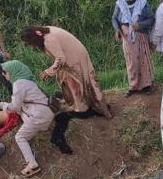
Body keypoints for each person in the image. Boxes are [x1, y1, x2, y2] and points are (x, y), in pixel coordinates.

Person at [21, 26, 111, 154]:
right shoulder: (47, 31)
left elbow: (61, 59)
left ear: (34, 38)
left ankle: (82, 109)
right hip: (75, 54)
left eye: (29, 43)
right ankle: (86, 105)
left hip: (73, 58)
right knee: (80, 82)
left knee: (75, 84)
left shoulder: (48, 40)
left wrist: (49, 71)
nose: (31, 46)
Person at [0, 60, 54, 177]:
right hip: (45, 115)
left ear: (13, 71)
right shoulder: (28, 82)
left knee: (20, 137)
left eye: (5, 71)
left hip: (38, 116)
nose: (3, 74)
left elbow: (13, 107)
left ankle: (32, 164)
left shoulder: (18, 84)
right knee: (22, 115)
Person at [112, 0, 155, 97]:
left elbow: (151, 19)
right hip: (126, 35)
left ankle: (146, 85)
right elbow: (114, 18)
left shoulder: (143, 3)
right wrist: (117, 30)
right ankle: (133, 86)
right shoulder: (120, 3)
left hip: (140, 34)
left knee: (143, 60)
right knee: (131, 61)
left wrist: (140, 25)